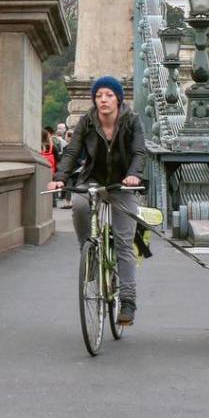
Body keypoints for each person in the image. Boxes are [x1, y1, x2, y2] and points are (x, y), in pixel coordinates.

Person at [48, 76, 147, 326]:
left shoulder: (132, 121)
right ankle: (88, 253)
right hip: (92, 179)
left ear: (118, 99)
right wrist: (60, 177)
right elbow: (72, 150)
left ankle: (127, 301)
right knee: (80, 205)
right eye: (99, 95)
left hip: (122, 183)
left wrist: (134, 175)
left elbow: (138, 152)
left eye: (109, 95)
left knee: (124, 241)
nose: (103, 99)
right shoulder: (87, 121)